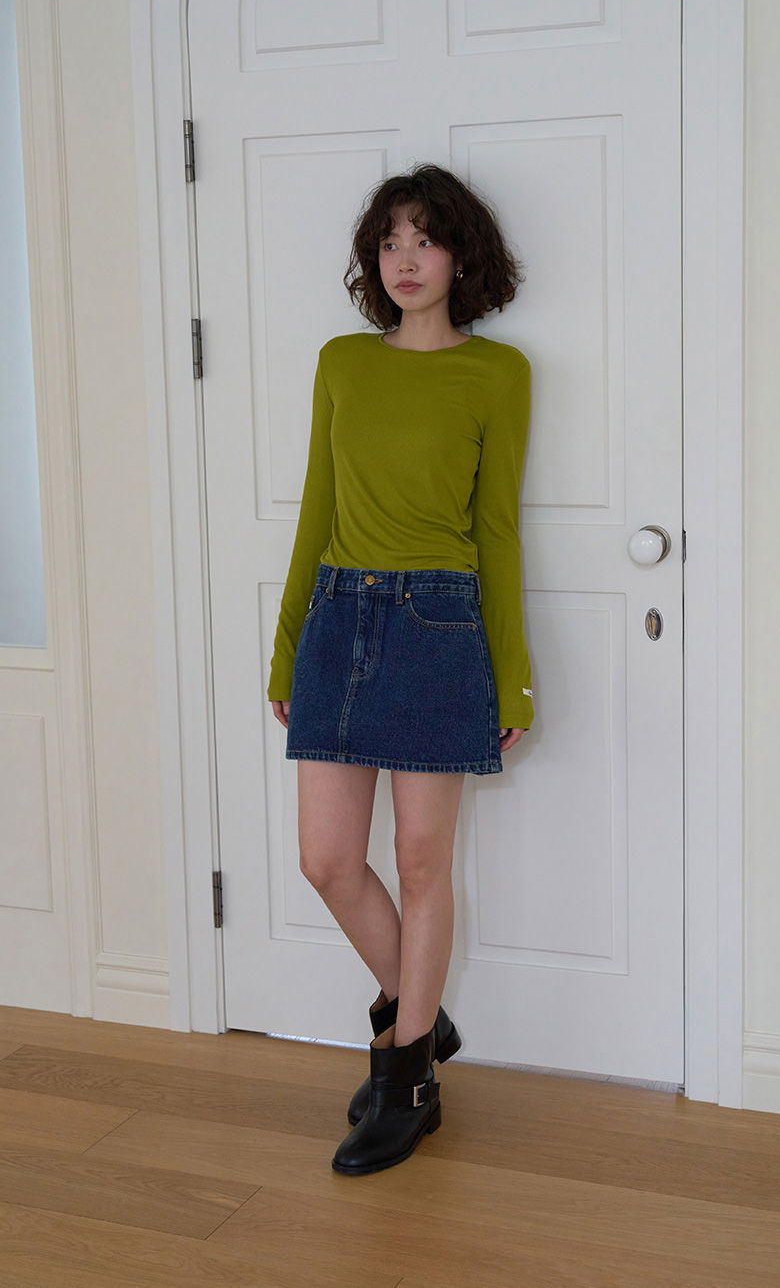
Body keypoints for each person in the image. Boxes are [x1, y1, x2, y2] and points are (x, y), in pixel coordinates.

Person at [266, 163, 533, 1176]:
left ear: (461, 256)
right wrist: (287, 645)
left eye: (425, 239)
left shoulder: (498, 373)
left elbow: (496, 531)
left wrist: (514, 674)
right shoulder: (343, 362)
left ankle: (406, 1079)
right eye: (389, 241)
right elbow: (315, 511)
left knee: (422, 862)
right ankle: (413, 1018)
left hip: (440, 621)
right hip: (339, 616)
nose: (405, 258)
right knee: (327, 860)